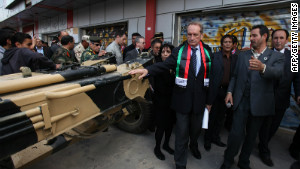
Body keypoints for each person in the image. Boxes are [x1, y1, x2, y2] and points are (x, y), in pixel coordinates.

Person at [129, 21, 214, 169]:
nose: (192, 37)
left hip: (199, 102)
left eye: (195, 34)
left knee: (195, 132)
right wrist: (148, 70)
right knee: (181, 134)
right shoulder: (179, 51)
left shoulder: (207, 51)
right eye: (189, 34)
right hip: (182, 102)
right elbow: (164, 65)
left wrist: (209, 101)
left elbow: (213, 77)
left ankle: (193, 146)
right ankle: (180, 163)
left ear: (201, 35)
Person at [220, 25, 285, 169]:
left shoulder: (277, 57)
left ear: (264, 36)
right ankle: (228, 160)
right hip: (241, 101)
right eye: (251, 35)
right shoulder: (243, 55)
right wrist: (230, 92)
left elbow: (278, 73)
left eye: (254, 35)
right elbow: (235, 76)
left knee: (251, 137)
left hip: (260, 104)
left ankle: (244, 162)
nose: (251, 38)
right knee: (235, 135)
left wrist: (263, 68)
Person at [258, 29, 300, 167]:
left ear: (286, 40)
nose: (278, 40)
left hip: (281, 99)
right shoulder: (265, 54)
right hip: (264, 98)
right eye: (275, 38)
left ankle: (263, 145)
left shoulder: (293, 57)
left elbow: (297, 79)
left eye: (281, 38)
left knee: (273, 127)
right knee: (263, 126)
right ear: (272, 39)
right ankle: (263, 151)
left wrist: (298, 94)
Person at [204, 35, 238, 151]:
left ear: (233, 44)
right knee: (211, 117)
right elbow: (208, 75)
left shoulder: (235, 59)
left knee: (221, 117)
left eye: (230, 42)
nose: (227, 44)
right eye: (225, 42)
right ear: (221, 44)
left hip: (227, 92)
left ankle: (215, 137)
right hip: (215, 90)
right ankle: (207, 139)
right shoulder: (215, 57)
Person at [153, 43, 175, 160]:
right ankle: (157, 148)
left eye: (168, 52)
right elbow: (160, 88)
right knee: (161, 127)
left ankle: (166, 145)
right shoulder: (158, 67)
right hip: (161, 102)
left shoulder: (176, 67)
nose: (165, 54)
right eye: (163, 52)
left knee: (170, 126)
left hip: (172, 103)